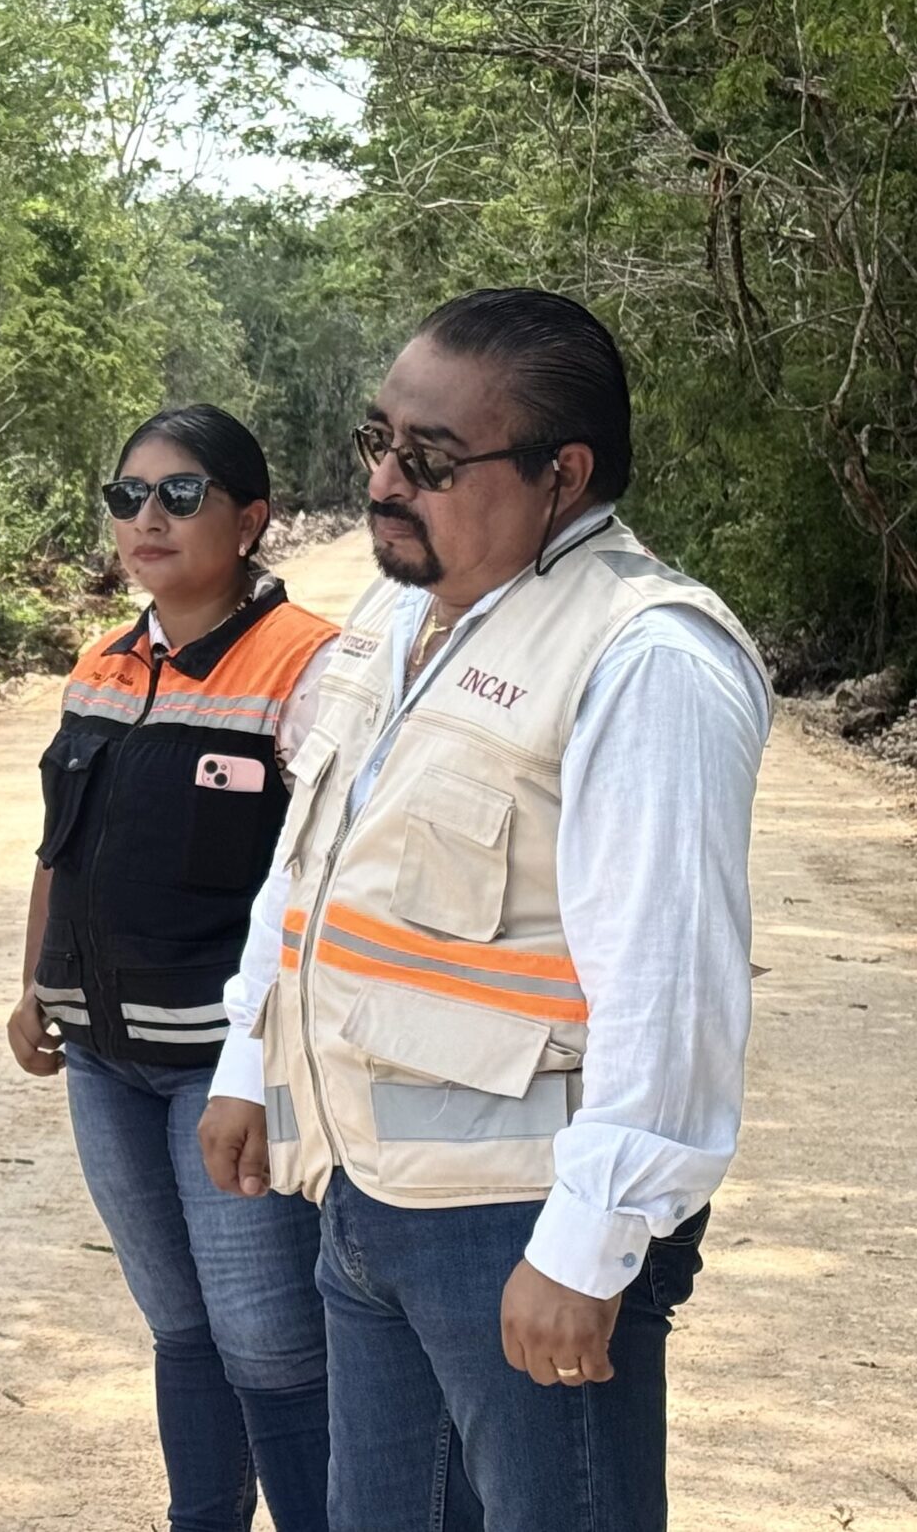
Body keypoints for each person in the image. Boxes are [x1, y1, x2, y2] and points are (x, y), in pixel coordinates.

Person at [197, 288, 770, 1531]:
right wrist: (251, 1054)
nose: (386, 481)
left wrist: (588, 1242)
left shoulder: (645, 658)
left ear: (562, 474)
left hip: (520, 1220)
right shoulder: (398, 614)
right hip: (364, 1193)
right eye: (377, 441)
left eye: (433, 458)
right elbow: (310, 866)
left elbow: (670, 982)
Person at [7, 405, 338, 1532]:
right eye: (127, 496)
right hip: (104, 1059)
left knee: (269, 1338)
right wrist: (31, 984)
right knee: (180, 1326)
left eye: (180, 495)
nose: (146, 518)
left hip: (223, 1068)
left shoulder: (309, 668)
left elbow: (314, 888)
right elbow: (61, 839)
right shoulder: (104, 661)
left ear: (250, 520)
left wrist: (259, 1065)